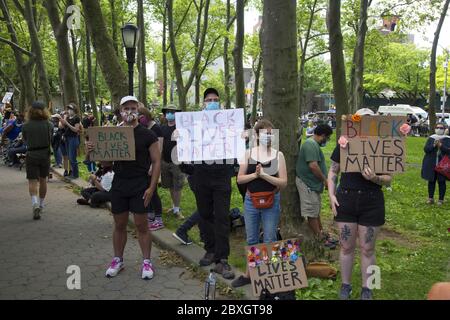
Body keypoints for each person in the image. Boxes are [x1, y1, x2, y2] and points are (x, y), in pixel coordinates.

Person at [87, 96, 161, 280]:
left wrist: (152, 187)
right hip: (119, 184)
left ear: (139, 110)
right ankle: (118, 259)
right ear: (120, 111)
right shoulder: (114, 133)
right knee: (119, 224)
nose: (129, 111)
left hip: (140, 184)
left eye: (133, 107)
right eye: (126, 107)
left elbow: (157, 160)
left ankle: (147, 261)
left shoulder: (147, 134)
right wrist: (92, 150)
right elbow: (106, 161)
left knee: (141, 225)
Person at [327, 108, 393, 300]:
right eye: (361, 120)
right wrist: (331, 195)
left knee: (368, 248)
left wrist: (375, 178)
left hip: (372, 201)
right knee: (346, 246)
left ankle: (369, 288)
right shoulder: (344, 143)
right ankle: (345, 286)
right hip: (346, 199)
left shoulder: (383, 145)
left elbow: (389, 179)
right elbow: (333, 171)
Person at [232, 119, 288, 288]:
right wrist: (255, 175)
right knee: (252, 238)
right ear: (256, 135)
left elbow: (283, 182)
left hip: (271, 200)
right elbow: (240, 179)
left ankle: (269, 276)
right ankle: (250, 275)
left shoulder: (278, 155)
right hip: (251, 201)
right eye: (265, 134)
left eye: (270, 134)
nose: (268, 137)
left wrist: (264, 175)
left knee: (270, 238)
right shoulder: (248, 154)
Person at [191, 87, 236, 280]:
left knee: (222, 217)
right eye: (208, 100)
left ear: (221, 103)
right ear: (203, 104)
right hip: (201, 176)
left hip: (221, 177)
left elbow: (236, 147)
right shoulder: (193, 125)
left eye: (215, 99)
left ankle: (222, 259)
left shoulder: (230, 124)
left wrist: (240, 138)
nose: (212, 102)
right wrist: (179, 138)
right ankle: (210, 249)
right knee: (205, 214)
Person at [296, 124, 337, 248]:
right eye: (328, 138)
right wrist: (325, 181)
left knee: (316, 211)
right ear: (323, 135)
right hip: (307, 184)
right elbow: (313, 166)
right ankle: (319, 238)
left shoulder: (314, 145)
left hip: (313, 185)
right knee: (312, 213)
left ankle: (321, 233)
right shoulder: (310, 144)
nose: (327, 140)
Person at [21, 101, 53, 220]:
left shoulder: (26, 125)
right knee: (43, 180)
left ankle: (34, 203)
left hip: (32, 154)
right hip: (45, 154)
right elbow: (51, 138)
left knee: (32, 181)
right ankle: (41, 204)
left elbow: (24, 140)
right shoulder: (49, 124)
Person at [138, 105, 165, 230]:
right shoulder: (144, 128)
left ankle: (158, 218)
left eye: (141, 116)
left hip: (153, 165)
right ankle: (151, 214)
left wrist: (152, 167)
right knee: (147, 190)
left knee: (153, 192)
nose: (139, 119)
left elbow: (159, 148)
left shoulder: (156, 128)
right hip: (145, 164)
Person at [160, 104, 185, 219]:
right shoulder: (162, 128)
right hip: (165, 161)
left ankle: (177, 208)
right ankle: (174, 206)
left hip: (177, 162)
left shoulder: (181, 128)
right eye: (168, 112)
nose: (170, 114)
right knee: (170, 185)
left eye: (173, 112)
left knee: (177, 186)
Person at [421, 123, 450, 205]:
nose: (439, 129)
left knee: (441, 181)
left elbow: (448, 151)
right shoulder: (431, 138)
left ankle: (441, 199)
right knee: (431, 181)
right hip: (431, 163)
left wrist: (441, 146)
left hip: (443, 164)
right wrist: (434, 145)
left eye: (441, 128)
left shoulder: (447, 139)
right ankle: (430, 198)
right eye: (437, 127)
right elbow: (426, 149)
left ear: (444, 129)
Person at [59, 104, 81, 179]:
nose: (69, 110)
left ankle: (75, 174)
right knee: (69, 157)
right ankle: (71, 173)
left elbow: (76, 130)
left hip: (73, 138)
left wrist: (67, 123)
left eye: (70, 109)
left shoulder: (76, 118)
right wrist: (63, 119)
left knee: (72, 157)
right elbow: (62, 126)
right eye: (68, 109)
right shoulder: (68, 118)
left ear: (74, 110)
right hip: (67, 138)